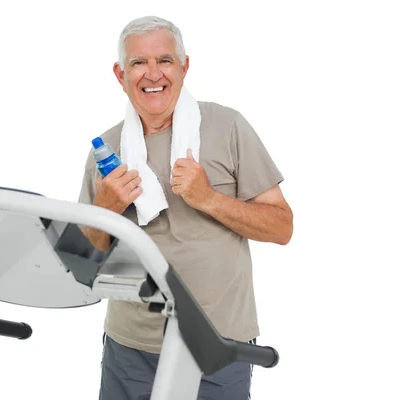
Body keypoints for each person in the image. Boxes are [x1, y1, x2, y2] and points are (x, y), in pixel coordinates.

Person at [77, 15, 293, 400]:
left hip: (218, 342)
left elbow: (281, 228)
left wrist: (209, 198)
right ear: (119, 74)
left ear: (185, 66)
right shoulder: (106, 153)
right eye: (138, 63)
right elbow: (84, 260)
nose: (152, 74)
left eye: (165, 60)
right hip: (130, 347)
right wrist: (106, 207)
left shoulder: (227, 127)